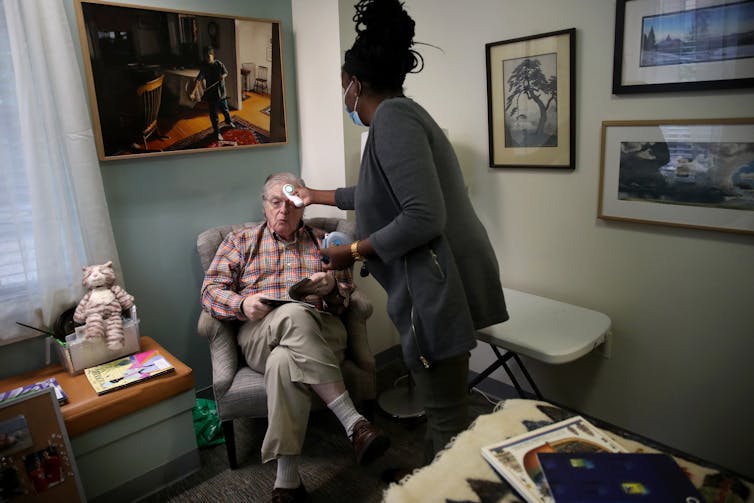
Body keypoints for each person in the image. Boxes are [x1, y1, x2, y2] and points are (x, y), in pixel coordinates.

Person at [295, 0, 508, 474]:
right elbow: (373, 192)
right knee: (445, 414)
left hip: (437, 287)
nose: (343, 95)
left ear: (357, 84)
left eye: (342, 86)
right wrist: (314, 195)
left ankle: (443, 484)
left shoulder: (392, 121)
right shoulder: (402, 116)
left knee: (447, 420)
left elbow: (422, 217)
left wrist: (349, 251)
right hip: (438, 280)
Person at [201, 172, 389, 502]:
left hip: (324, 330)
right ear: (264, 206)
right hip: (259, 333)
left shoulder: (325, 241)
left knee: (284, 360)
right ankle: (352, 422)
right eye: (276, 203)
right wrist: (242, 303)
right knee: (291, 313)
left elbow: (346, 296)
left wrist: (332, 288)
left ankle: (287, 481)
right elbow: (210, 292)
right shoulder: (240, 242)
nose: (283, 211)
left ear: (303, 207)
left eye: (291, 204)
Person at [194, 46, 235, 141]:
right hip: (211, 95)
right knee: (214, 115)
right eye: (205, 56)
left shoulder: (219, 64)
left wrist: (222, 76)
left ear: (213, 55)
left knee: (225, 110)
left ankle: (228, 122)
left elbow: (226, 73)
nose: (207, 58)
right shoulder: (204, 67)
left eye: (208, 56)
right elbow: (199, 77)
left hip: (221, 92)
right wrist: (197, 83)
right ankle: (217, 133)